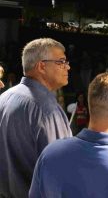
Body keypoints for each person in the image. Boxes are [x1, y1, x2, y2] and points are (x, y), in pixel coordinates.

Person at [0, 38, 72, 198]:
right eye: (61, 61)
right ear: (41, 66)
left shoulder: (4, 98)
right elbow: (60, 172)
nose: (68, 66)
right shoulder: (47, 110)